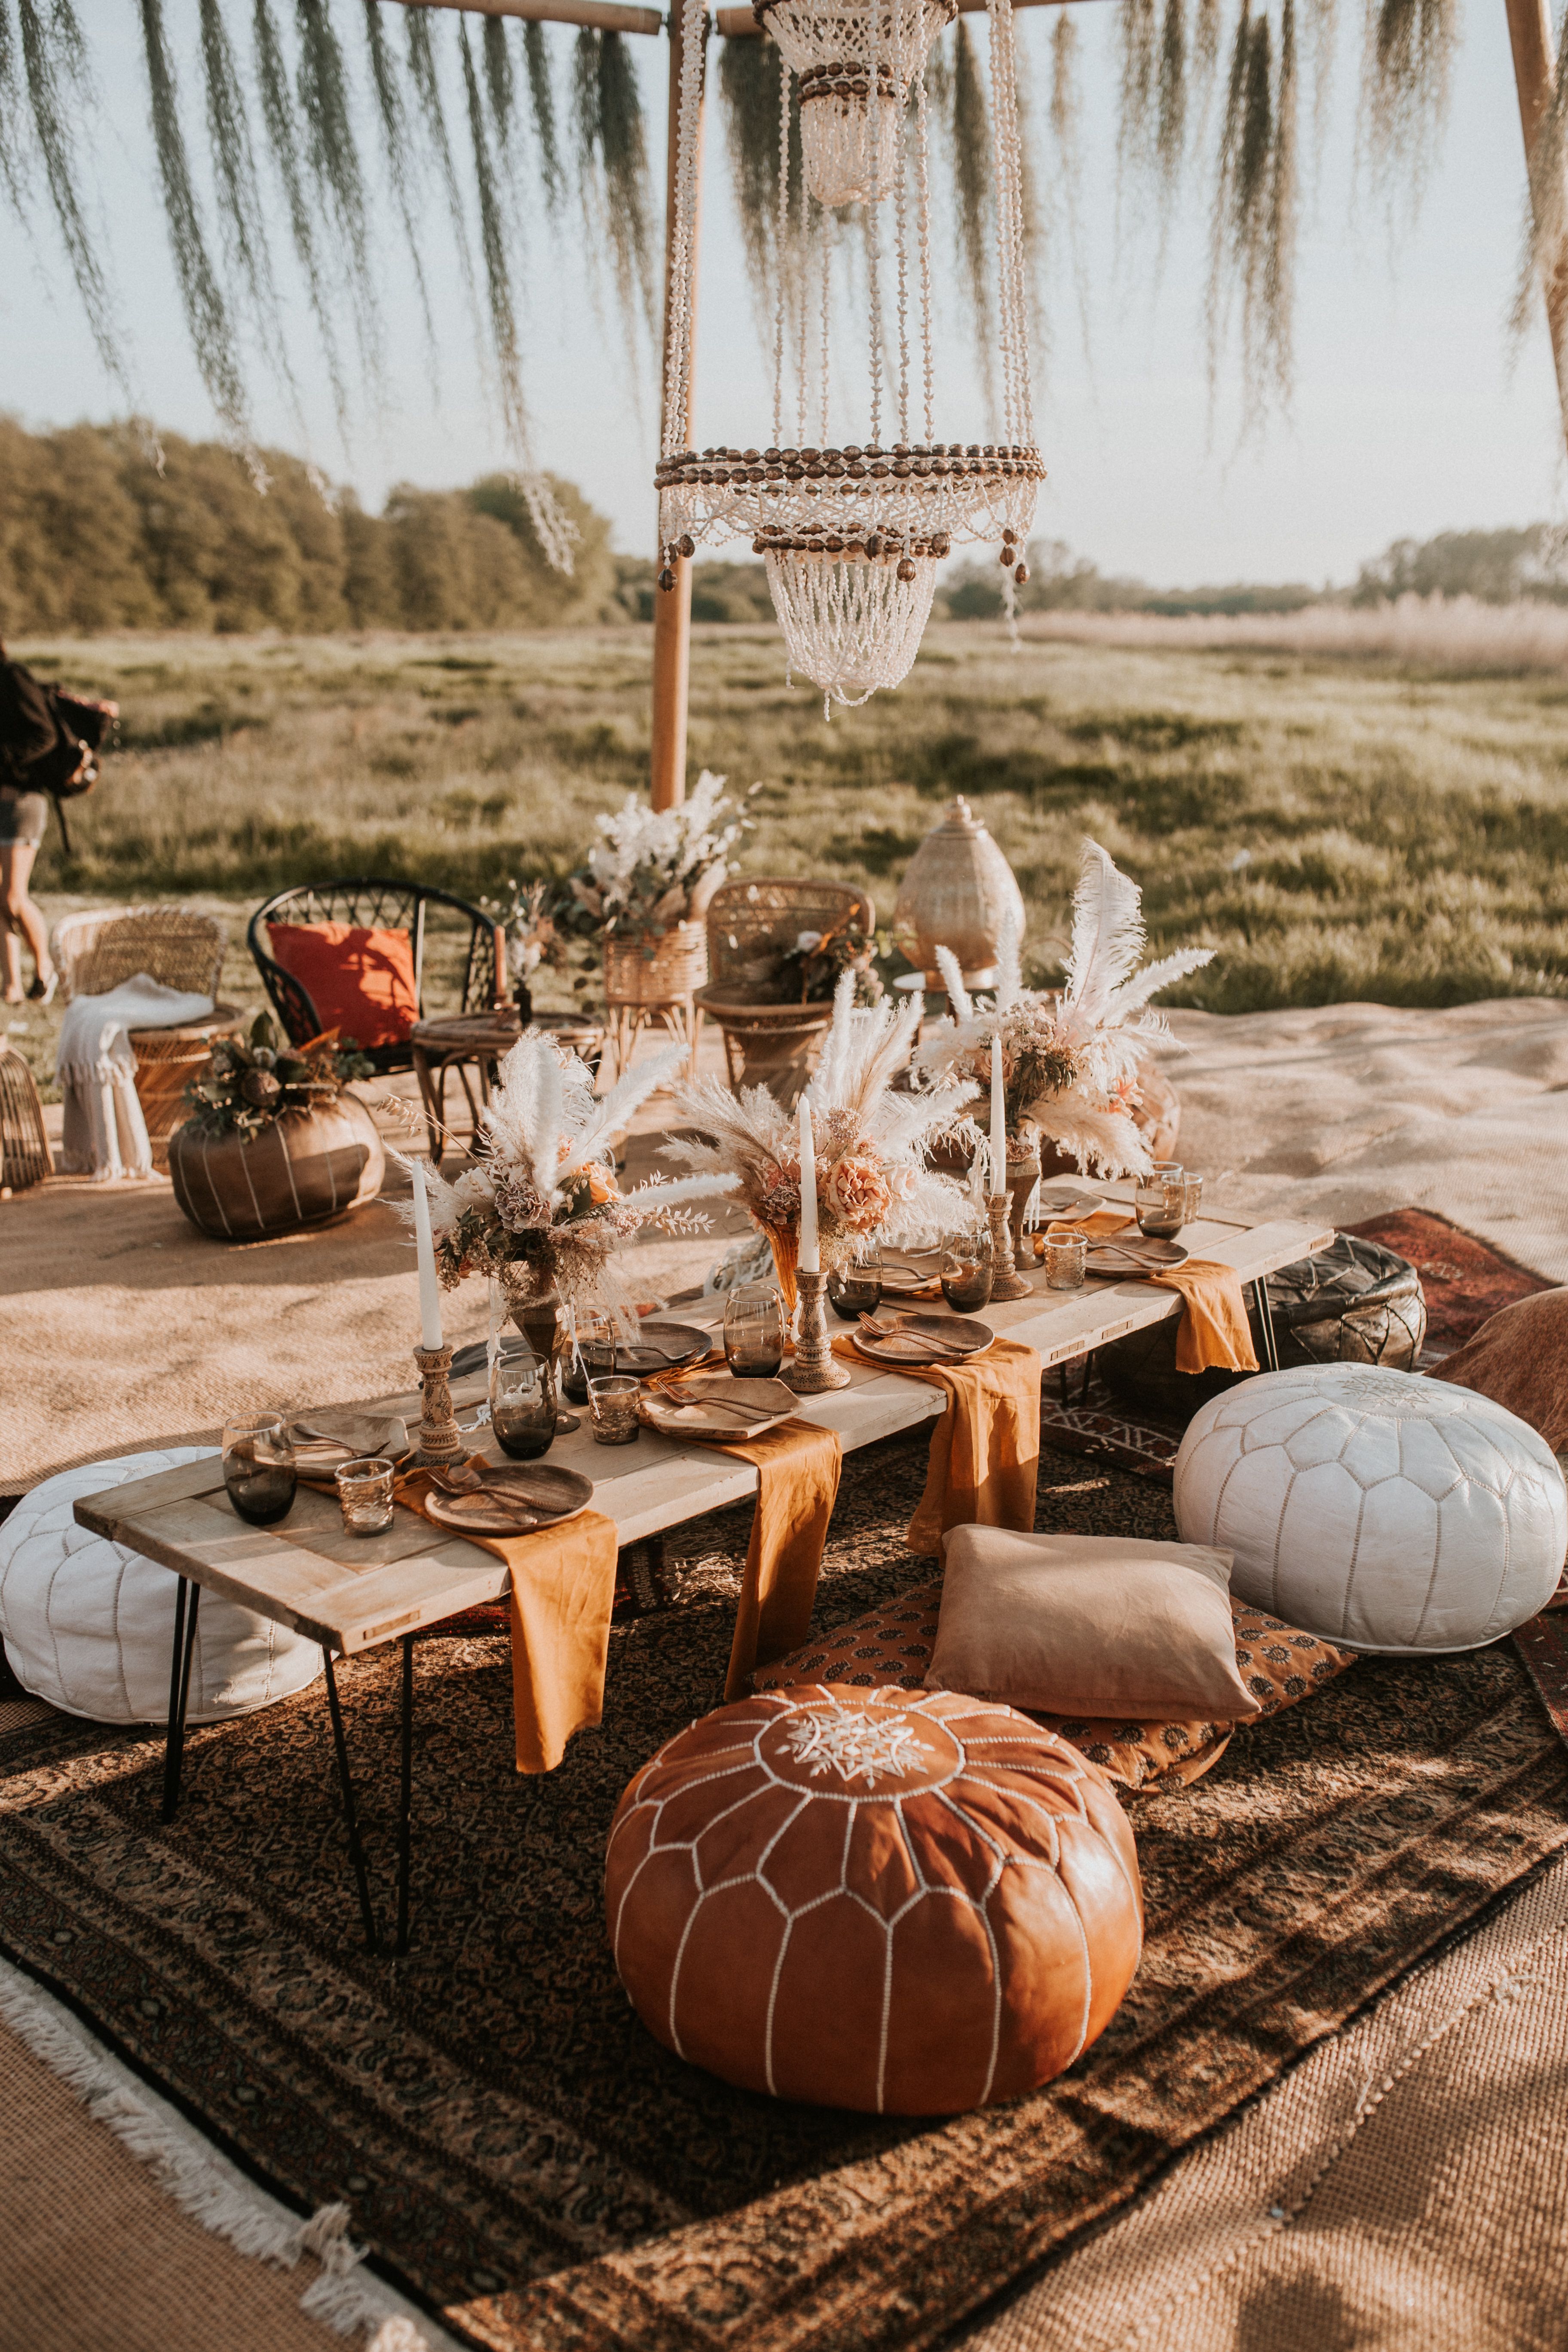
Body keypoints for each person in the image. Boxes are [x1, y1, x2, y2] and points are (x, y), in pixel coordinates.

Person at [0, 637, 116, 1005]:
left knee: (13, 897)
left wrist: (5, 760)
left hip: (22, 801)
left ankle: (45, 970)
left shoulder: (12, 677)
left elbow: (45, 736)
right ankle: (12, 986)